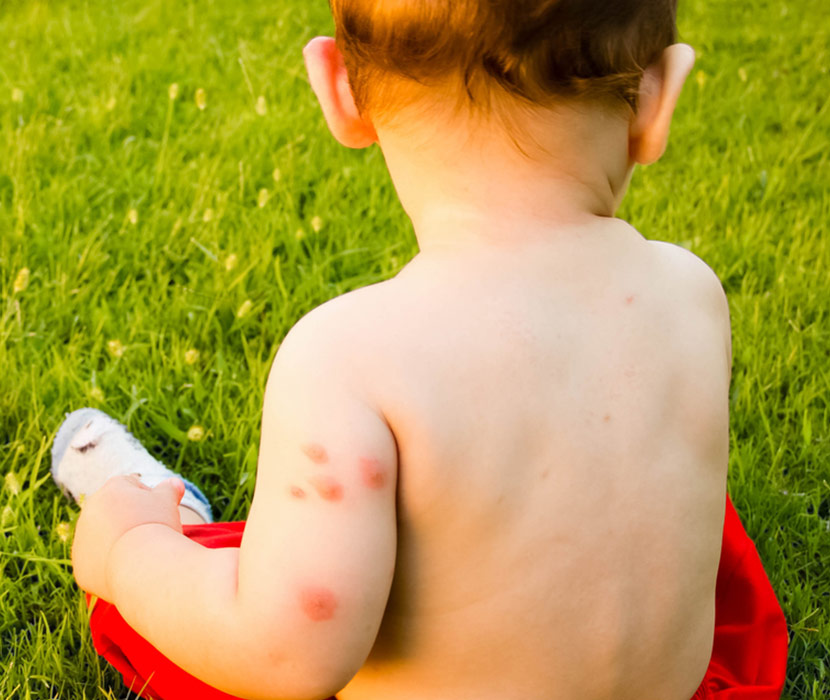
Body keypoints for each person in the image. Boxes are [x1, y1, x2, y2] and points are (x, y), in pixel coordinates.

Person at [54, 1, 788, 698]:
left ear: (340, 90)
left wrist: (126, 557)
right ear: (659, 99)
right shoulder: (692, 291)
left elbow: (285, 651)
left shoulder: (347, 357)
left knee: (218, 596)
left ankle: (162, 519)